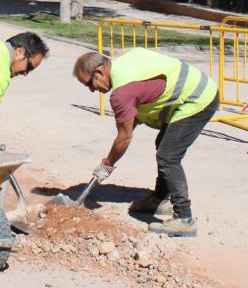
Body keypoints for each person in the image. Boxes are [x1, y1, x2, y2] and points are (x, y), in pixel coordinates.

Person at [72, 48, 220, 237]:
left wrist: (107, 164)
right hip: (199, 88)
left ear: (99, 72)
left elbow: (124, 137)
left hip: (198, 99)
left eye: (89, 84)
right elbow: (133, 118)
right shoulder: (128, 61)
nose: (93, 90)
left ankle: (184, 219)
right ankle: (160, 199)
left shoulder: (122, 92)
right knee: (164, 144)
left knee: (168, 156)